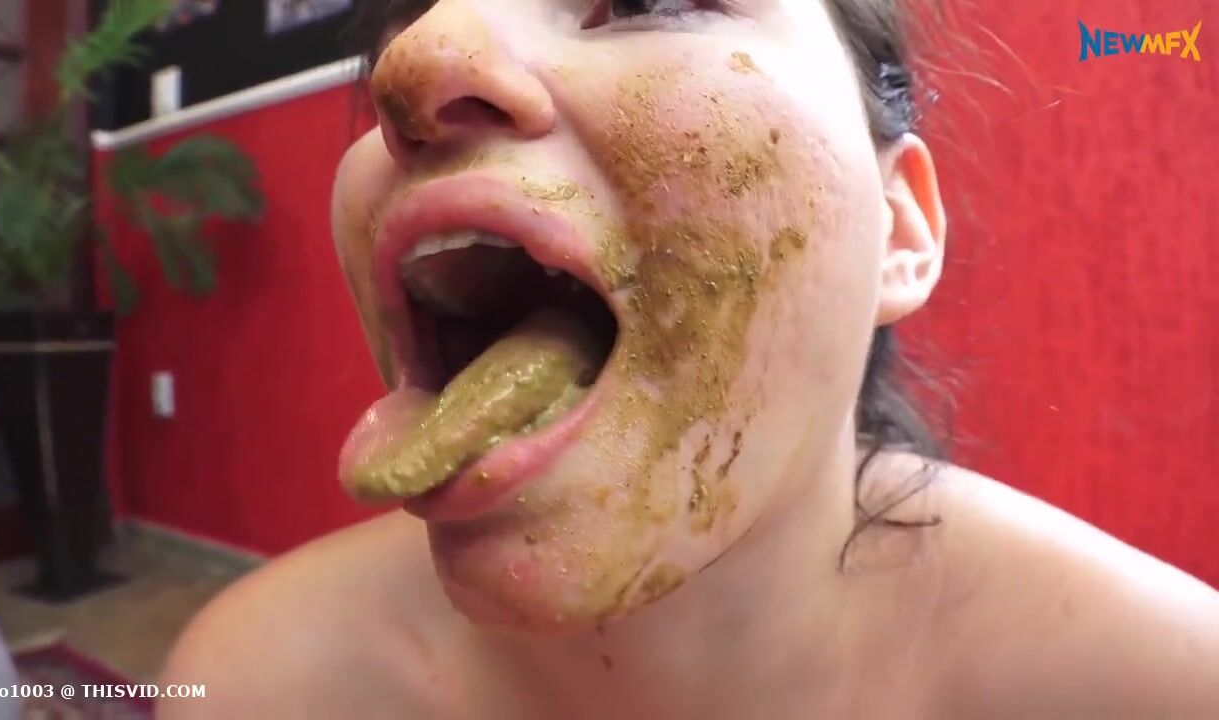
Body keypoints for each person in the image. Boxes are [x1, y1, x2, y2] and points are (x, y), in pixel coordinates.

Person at [159, 0, 1219, 717]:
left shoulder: (1161, 687)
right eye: (406, 14)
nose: (422, 55)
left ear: (898, 232)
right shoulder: (255, 685)